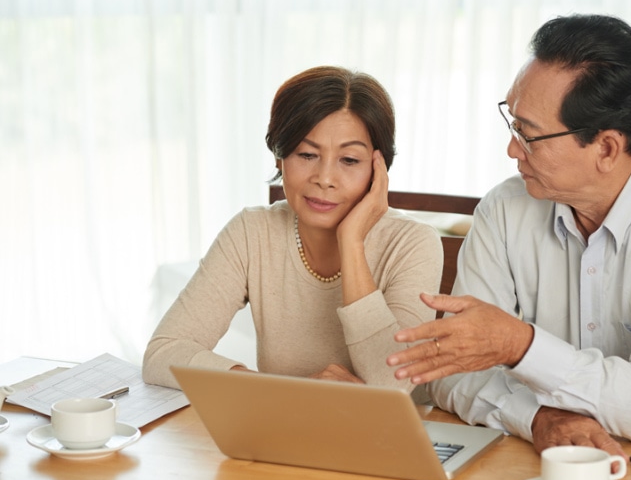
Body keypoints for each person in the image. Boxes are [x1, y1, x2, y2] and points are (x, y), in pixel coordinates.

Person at [386, 14, 631, 456]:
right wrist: (537, 417)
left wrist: (518, 344)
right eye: (513, 124)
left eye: (528, 135)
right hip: (550, 452)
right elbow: (452, 373)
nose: (511, 149)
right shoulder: (505, 210)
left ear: (606, 148)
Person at [143, 66, 443, 392]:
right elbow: (163, 352)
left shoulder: (414, 244)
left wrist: (352, 242)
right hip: (279, 432)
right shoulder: (251, 232)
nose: (325, 178)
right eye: (307, 154)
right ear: (279, 156)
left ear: (378, 167)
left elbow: (391, 386)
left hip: (388, 439)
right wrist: (282, 392)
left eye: (349, 160)